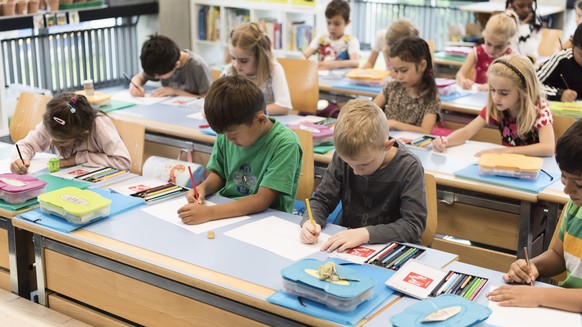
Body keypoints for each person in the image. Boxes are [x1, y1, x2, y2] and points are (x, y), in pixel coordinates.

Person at [299, 99, 427, 252]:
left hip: (393, 251)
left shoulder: (409, 167)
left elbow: (413, 226)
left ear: (387, 146)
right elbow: (322, 200)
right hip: (349, 247)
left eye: (363, 165)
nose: (355, 171)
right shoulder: (345, 157)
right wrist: (310, 222)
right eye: (349, 164)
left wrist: (365, 233)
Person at [177, 76, 302, 224]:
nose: (228, 139)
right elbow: (219, 174)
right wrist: (202, 188)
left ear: (260, 120)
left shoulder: (285, 143)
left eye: (233, 134)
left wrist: (210, 213)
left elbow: (262, 200)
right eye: (224, 134)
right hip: (226, 211)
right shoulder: (228, 131)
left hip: (267, 221)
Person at [487, 119, 582, 312]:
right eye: (564, 177)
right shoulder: (575, 206)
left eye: (579, 184)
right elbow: (558, 255)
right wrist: (532, 266)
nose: (567, 189)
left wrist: (539, 295)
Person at [434, 54, 555, 157]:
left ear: (524, 90)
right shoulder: (496, 107)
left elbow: (548, 147)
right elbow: (466, 132)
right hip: (506, 165)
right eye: (492, 90)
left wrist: (503, 152)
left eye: (504, 93)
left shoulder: (539, 109)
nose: (496, 97)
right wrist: (445, 141)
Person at [10, 93, 131, 174]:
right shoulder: (52, 121)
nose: (54, 143)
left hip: (101, 183)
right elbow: (25, 145)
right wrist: (19, 159)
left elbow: (123, 162)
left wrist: (78, 159)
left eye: (62, 142)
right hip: (68, 179)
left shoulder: (99, 126)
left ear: (83, 133)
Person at [221, 22, 292, 116]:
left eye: (244, 60)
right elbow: (210, 104)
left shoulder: (273, 70)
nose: (236, 65)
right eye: (233, 58)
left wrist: (247, 112)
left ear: (259, 57)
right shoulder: (229, 71)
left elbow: (284, 107)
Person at [373, 36, 439, 134]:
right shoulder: (392, 87)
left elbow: (426, 131)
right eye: (395, 70)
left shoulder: (430, 97)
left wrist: (395, 124)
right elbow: (370, 110)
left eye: (404, 70)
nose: (399, 76)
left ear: (422, 66)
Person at [129, 34, 212, 98]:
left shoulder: (197, 66)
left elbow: (208, 99)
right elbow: (140, 77)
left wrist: (175, 91)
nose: (156, 78)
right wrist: (134, 86)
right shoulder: (160, 62)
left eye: (159, 76)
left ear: (176, 65)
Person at [456, 13, 517, 91]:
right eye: (488, 43)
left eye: (498, 47)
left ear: (509, 43)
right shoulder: (477, 52)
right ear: (484, 35)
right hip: (478, 98)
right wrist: (463, 81)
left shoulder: (512, 57)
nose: (492, 50)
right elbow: (460, 74)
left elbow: (514, 84)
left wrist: (492, 87)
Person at [303, 0, 360, 70]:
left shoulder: (350, 41)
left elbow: (355, 62)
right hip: (321, 78)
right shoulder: (320, 39)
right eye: (329, 23)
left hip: (342, 79)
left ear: (347, 22)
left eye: (337, 24)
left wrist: (332, 64)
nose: (331, 27)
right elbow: (304, 55)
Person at [537, 24, 582, 102]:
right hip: (558, 109)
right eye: (581, 55)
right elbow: (532, 84)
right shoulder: (561, 59)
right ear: (572, 44)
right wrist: (559, 94)